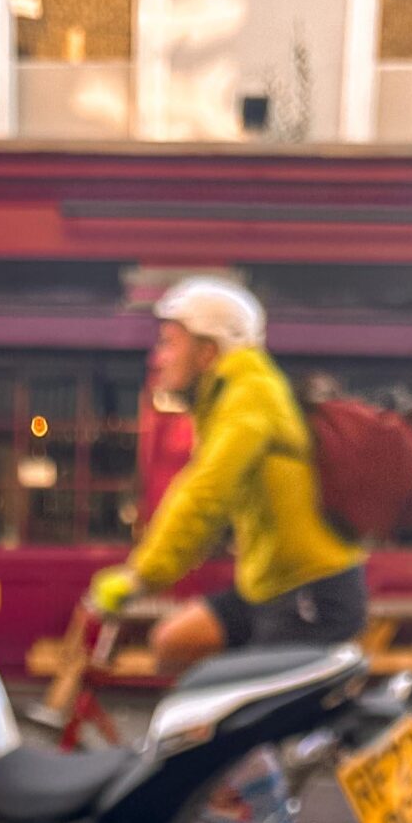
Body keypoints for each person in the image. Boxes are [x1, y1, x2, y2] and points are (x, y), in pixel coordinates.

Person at [85, 277, 366, 676]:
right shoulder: (226, 398)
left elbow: (205, 494)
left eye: (169, 343)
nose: (158, 358)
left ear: (207, 351)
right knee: (172, 642)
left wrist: (140, 577)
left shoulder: (250, 395)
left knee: (245, 704)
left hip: (312, 591)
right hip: (266, 586)